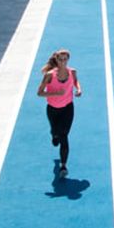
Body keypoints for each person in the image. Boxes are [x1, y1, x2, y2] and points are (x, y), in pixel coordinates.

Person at [36, 49, 82, 178]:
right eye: (60, 59)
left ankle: (63, 165)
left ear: (68, 60)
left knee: (64, 135)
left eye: (65, 59)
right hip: (52, 109)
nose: (63, 62)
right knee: (56, 132)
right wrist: (55, 94)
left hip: (68, 108)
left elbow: (75, 81)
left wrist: (78, 89)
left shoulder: (72, 72)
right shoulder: (50, 75)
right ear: (56, 60)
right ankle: (53, 134)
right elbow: (39, 92)